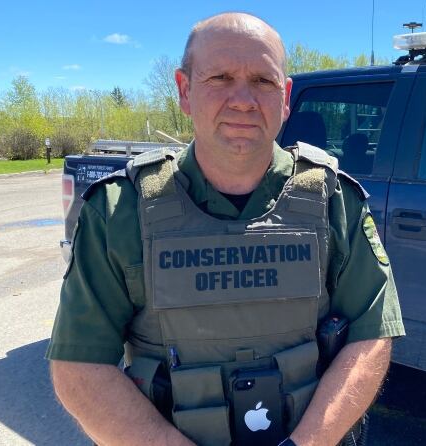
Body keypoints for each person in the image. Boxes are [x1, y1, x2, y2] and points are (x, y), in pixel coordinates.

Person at [46, 12, 404, 446]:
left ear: (285, 97)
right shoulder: (120, 211)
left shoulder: (334, 203)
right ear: (184, 90)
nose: (243, 99)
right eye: (220, 77)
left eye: (262, 81)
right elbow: (80, 366)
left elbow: (371, 337)